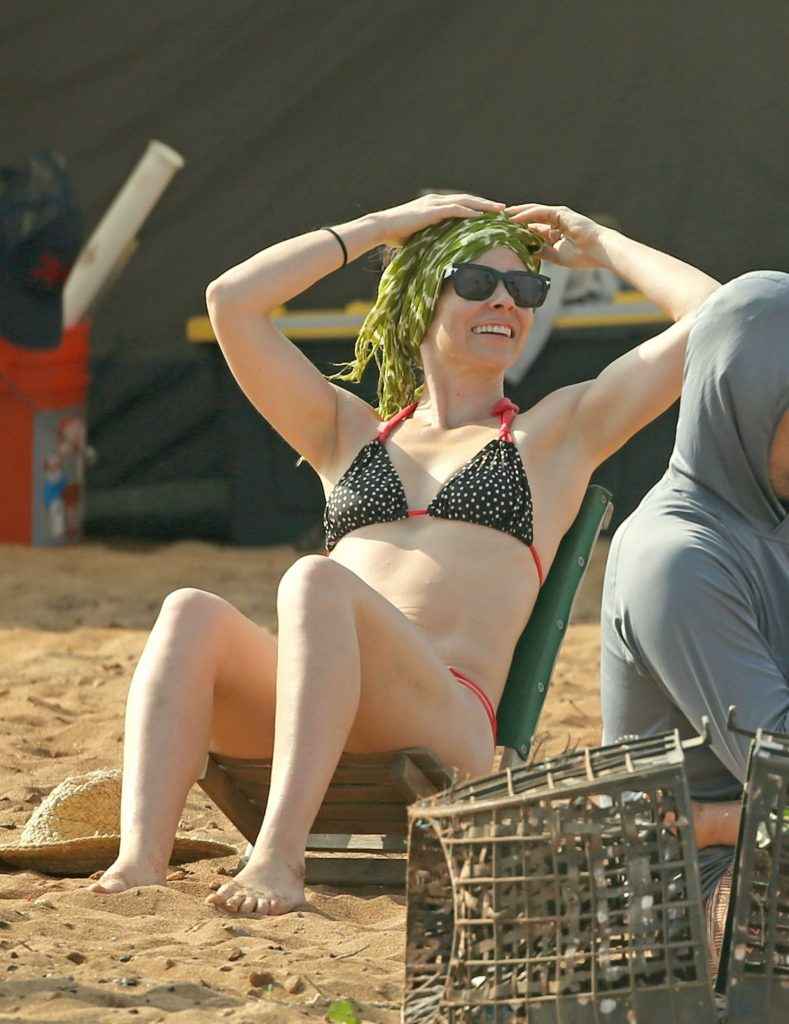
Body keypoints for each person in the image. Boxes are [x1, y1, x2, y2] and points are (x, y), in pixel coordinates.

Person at [88, 195, 718, 917]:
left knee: (316, 580)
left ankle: (278, 858)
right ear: (419, 295)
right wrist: (376, 230)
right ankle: (139, 862)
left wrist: (600, 242)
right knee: (188, 612)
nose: (505, 302)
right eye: (476, 282)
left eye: (524, 288)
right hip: (317, 702)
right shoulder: (346, 432)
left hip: (443, 715)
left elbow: (718, 317)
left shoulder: (555, 435)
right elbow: (231, 301)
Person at [600, 271, 789, 974]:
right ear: (742, 401)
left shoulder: (772, 514)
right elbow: (783, 777)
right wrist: (721, 823)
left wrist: (723, 820)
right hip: (701, 894)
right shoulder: (676, 558)